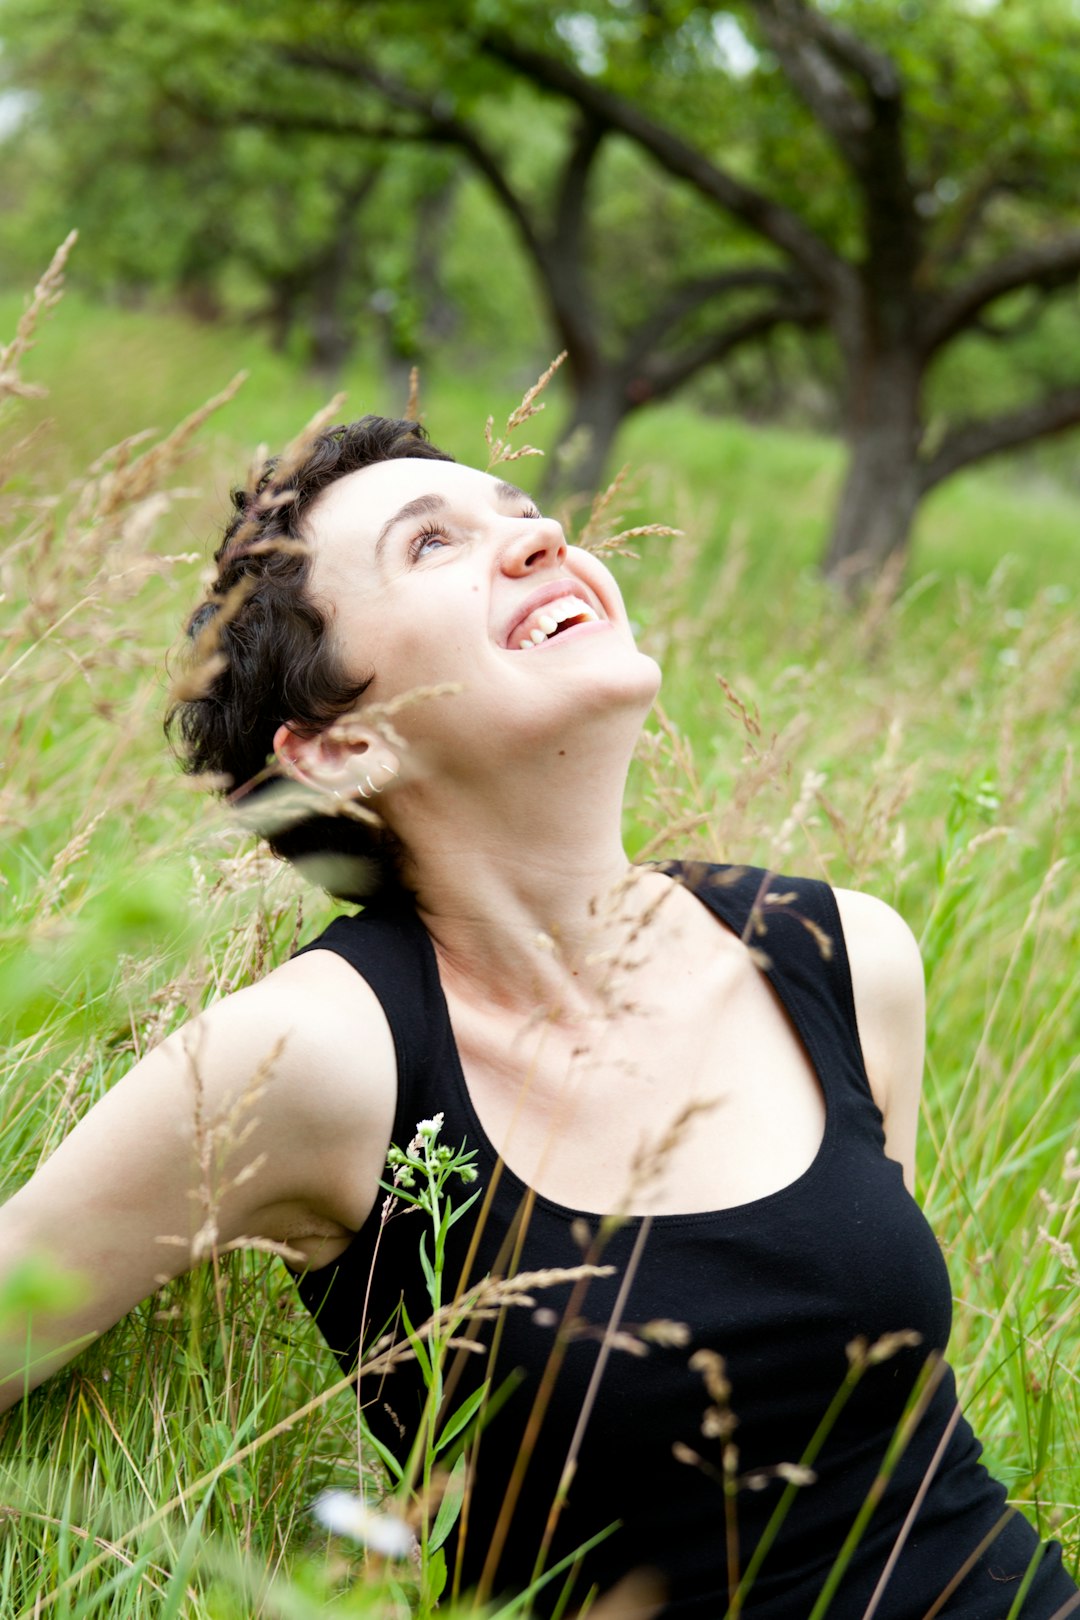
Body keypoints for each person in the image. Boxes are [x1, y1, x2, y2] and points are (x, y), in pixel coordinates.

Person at [1, 416, 1075, 1619]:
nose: (543, 537)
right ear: (343, 746)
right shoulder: (317, 1057)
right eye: (431, 546)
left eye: (525, 513)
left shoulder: (840, 952)